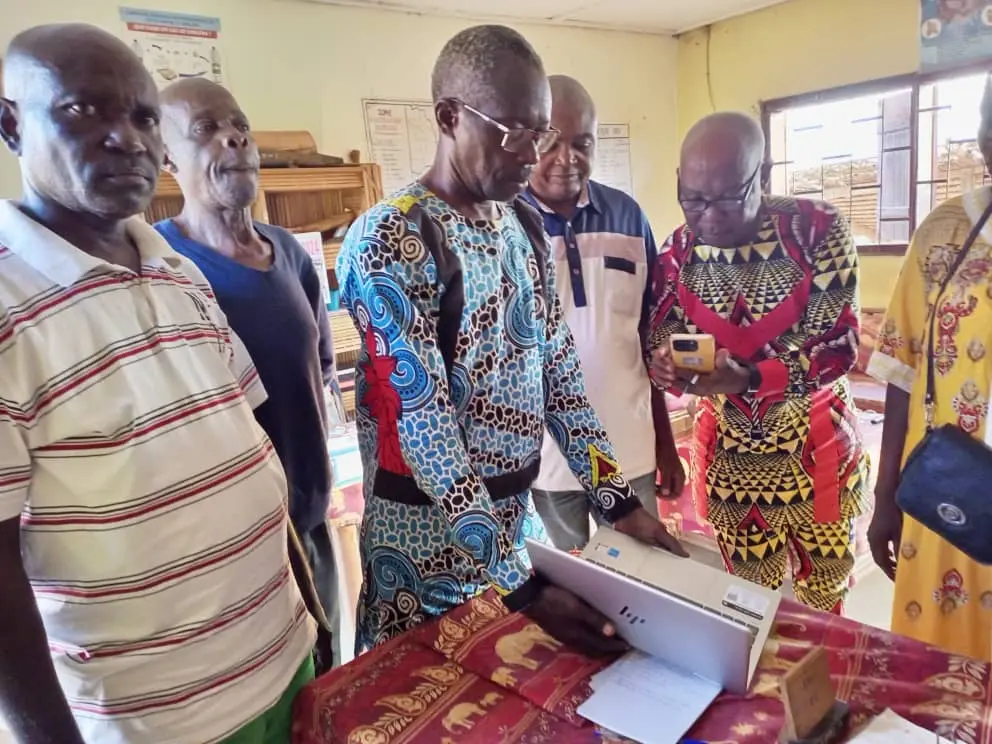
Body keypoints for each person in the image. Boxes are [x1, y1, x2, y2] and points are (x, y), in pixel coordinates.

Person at [0, 24, 315, 743]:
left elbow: (249, 449)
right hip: (161, 718)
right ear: (11, 124)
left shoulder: (178, 272)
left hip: (280, 662)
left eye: (144, 117)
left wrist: (309, 615)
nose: (127, 138)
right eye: (84, 109)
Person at [336, 24, 686, 654]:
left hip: (512, 523)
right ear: (449, 117)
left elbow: (562, 380)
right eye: (516, 132)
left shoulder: (520, 222)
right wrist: (521, 586)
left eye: (541, 132)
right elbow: (425, 429)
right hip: (424, 547)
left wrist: (617, 502)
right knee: (425, 693)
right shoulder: (392, 239)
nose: (532, 153)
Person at [648, 112, 869, 614]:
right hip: (733, 465)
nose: (707, 216)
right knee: (747, 606)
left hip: (819, 454)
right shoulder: (678, 251)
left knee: (824, 602)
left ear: (761, 174)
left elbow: (837, 348)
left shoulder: (816, 229)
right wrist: (666, 367)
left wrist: (750, 377)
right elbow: (663, 338)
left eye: (726, 198)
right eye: (692, 199)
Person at [155, 78, 343, 665]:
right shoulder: (161, 267)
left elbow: (320, 368)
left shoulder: (289, 253)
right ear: (165, 157)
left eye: (240, 126)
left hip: (307, 516)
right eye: (206, 129)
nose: (234, 138)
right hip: (227, 549)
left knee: (329, 676)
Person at [524, 75, 684, 550]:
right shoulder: (504, 225)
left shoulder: (628, 216)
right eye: (551, 142)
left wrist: (664, 442)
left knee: (641, 574)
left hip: (630, 449)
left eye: (582, 143)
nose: (566, 158)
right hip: (546, 458)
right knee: (569, 580)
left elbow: (648, 338)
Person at [867, 78, 992, 660]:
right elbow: (901, 368)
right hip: (952, 492)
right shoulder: (945, 233)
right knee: (940, 673)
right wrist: (886, 494)